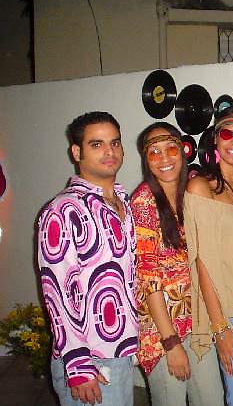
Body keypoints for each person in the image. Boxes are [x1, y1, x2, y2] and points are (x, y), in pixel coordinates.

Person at [37, 112, 138, 406]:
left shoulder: (124, 203)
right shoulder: (63, 210)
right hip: (91, 361)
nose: (109, 151)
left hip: (119, 352)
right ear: (76, 152)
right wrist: (79, 365)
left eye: (115, 143)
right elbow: (56, 291)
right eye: (97, 144)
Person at [131, 122, 224, 405]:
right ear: (146, 160)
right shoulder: (144, 202)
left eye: (170, 149)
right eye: (154, 152)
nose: (164, 158)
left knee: (212, 399)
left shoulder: (190, 193)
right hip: (162, 331)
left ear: (182, 151)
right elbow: (148, 279)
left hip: (196, 322)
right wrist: (171, 343)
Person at [184, 105, 233, 406]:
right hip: (231, 312)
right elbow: (201, 261)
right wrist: (220, 326)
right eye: (228, 133)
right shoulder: (201, 187)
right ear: (215, 137)